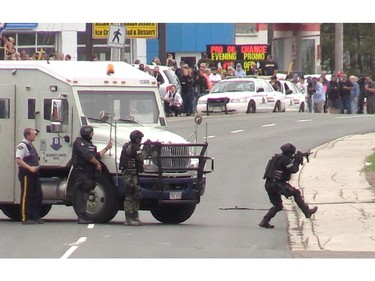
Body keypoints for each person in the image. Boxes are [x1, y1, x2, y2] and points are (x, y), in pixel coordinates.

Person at [259, 143, 318, 228]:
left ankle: (264, 221)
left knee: (278, 206)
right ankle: (307, 212)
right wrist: (297, 160)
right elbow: (293, 169)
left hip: (269, 184)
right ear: (290, 153)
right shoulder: (285, 160)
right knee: (296, 193)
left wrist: (297, 158)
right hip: (278, 185)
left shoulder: (277, 157)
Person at [71, 125, 112, 224]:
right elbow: (87, 156)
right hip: (81, 172)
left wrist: (107, 148)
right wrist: (97, 163)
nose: (92, 134)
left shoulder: (90, 145)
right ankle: (81, 216)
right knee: (81, 195)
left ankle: (84, 216)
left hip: (89, 173)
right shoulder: (79, 143)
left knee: (86, 194)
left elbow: (96, 156)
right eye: (91, 132)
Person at [119, 130, 149, 226]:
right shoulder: (133, 147)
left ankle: (135, 216)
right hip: (129, 174)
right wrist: (147, 149)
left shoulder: (130, 146)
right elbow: (141, 157)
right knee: (130, 194)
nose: (140, 141)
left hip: (133, 173)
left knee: (136, 194)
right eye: (139, 139)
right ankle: (129, 218)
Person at [15, 128, 44, 224]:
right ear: (27, 135)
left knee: (38, 194)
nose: (35, 135)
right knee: (26, 195)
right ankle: (25, 218)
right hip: (27, 174)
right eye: (33, 134)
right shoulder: (22, 146)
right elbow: (19, 160)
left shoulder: (30, 145)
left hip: (34, 173)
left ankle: (35, 216)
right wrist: (29, 168)